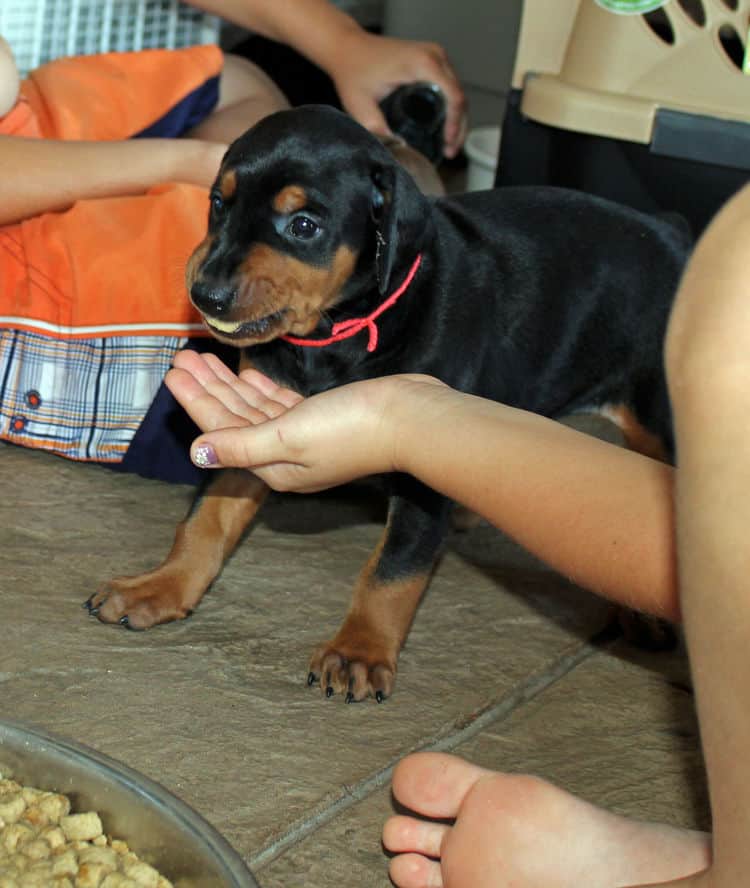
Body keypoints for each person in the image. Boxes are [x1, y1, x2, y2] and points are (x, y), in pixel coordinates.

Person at [164, 182, 750, 885]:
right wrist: (411, 423)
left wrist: (369, 623)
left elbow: (719, 550)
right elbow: (719, 551)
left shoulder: (689, 282)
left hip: (627, 304)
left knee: (679, 454)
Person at [0, 7, 465, 482]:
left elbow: (234, 83)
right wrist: (196, 165)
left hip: (70, 141)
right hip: (160, 373)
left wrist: (342, 43)